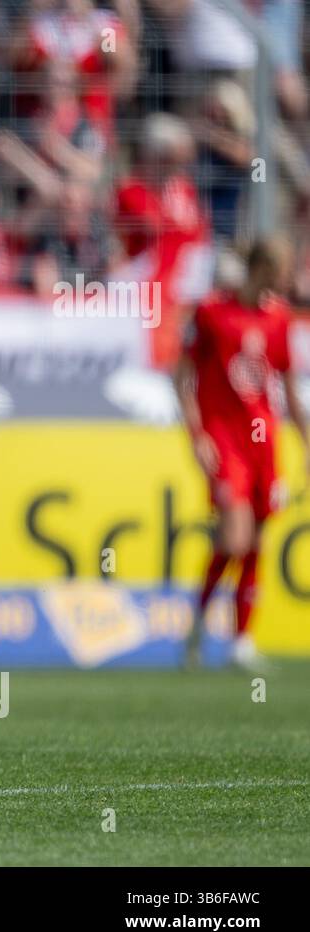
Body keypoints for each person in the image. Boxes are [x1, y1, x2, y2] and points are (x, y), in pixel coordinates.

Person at [176, 237, 310, 670]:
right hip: (224, 438)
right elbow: (183, 377)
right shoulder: (213, 312)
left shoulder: (278, 320)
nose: (287, 282)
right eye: (281, 273)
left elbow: (288, 390)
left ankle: (241, 641)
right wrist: (197, 435)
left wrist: (306, 444)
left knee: (256, 540)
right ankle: (198, 621)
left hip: (263, 441)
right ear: (262, 271)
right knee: (235, 535)